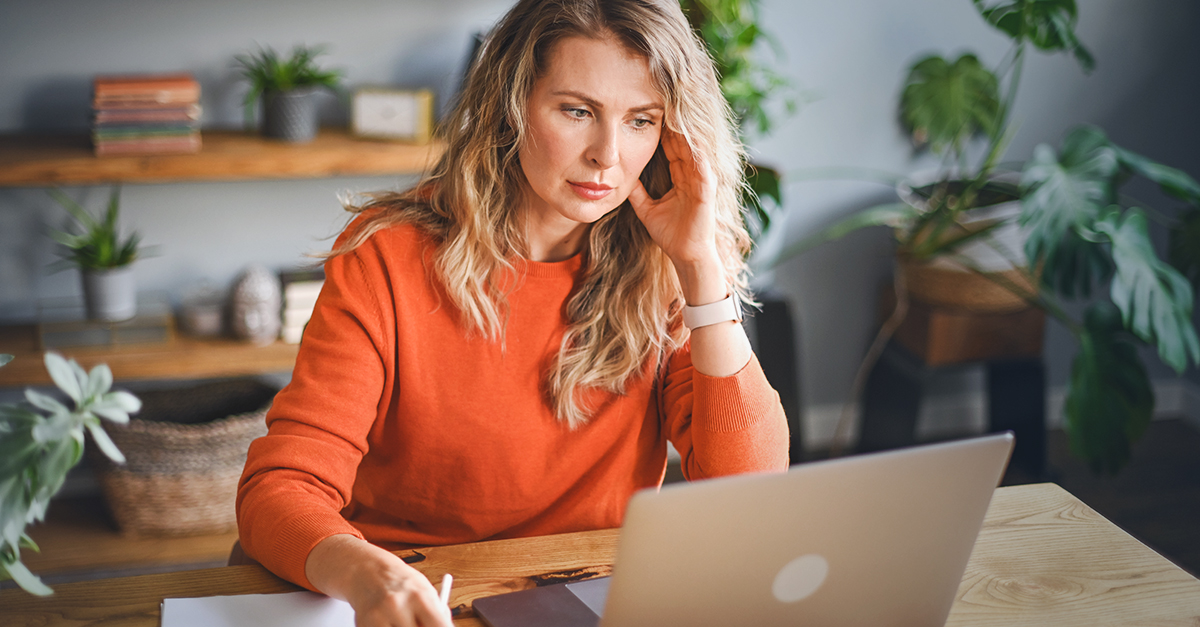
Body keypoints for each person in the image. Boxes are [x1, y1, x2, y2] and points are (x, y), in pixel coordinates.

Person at [236, 0, 789, 624]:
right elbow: (283, 486)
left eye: (641, 121)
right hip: (411, 596)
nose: (607, 154)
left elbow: (749, 491)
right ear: (511, 105)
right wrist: (368, 574)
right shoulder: (386, 257)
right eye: (577, 111)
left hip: (587, 595)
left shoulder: (667, 270)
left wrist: (698, 266)